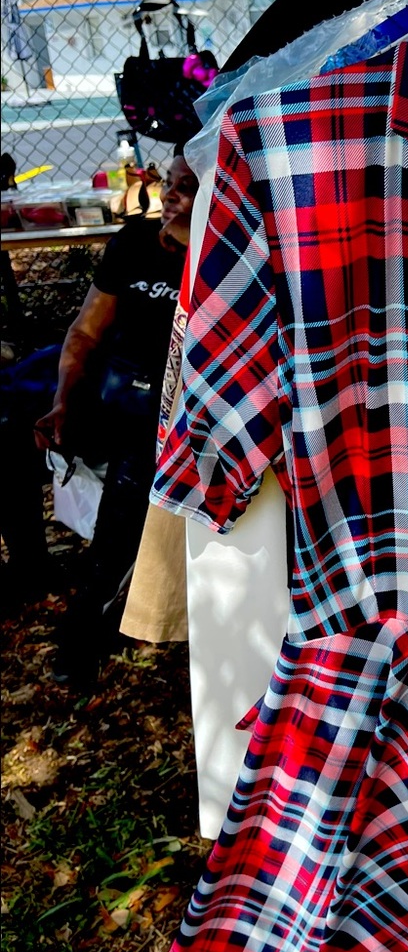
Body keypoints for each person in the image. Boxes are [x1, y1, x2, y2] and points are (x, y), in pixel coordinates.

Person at [32, 148, 198, 685]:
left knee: (131, 485)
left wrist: (193, 247)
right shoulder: (133, 245)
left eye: (188, 186)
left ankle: (83, 636)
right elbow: (85, 332)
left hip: (181, 417)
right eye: (170, 182)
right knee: (14, 426)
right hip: (122, 399)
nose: (172, 195)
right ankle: (44, 581)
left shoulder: (226, 258)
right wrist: (63, 399)